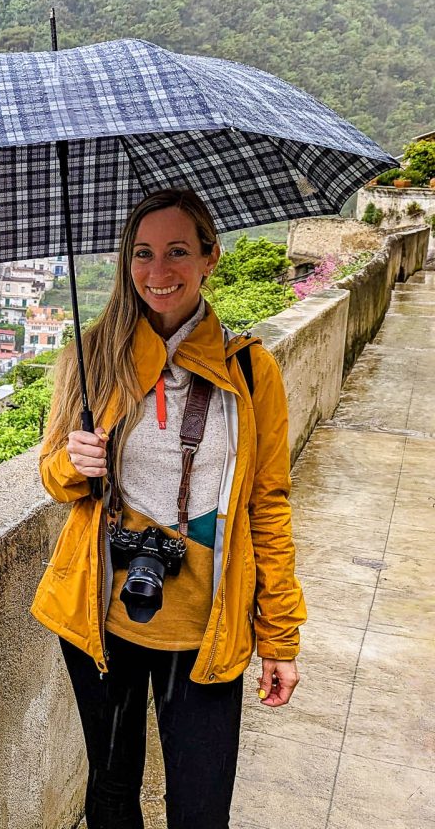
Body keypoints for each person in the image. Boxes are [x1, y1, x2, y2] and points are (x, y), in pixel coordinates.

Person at [29, 189, 307, 828]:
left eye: (178, 252)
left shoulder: (249, 371)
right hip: (103, 612)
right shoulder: (94, 358)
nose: (159, 272)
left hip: (207, 621)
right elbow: (52, 477)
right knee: (109, 793)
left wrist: (281, 636)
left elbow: (267, 508)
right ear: (127, 264)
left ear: (210, 258)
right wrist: (76, 462)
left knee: (202, 804)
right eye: (144, 254)